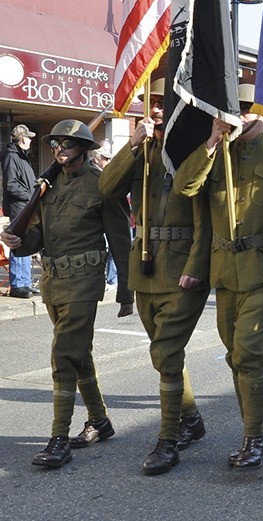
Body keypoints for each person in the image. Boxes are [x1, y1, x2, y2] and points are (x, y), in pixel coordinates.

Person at [173, 84, 263, 469]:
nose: (239, 116)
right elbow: (183, 187)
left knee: (250, 351)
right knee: (235, 355)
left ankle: (253, 437)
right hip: (225, 272)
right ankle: (260, 436)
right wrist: (211, 142)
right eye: (233, 109)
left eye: (248, 109)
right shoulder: (215, 155)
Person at [1, 119, 134, 469]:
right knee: (79, 354)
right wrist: (18, 241)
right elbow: (38, 237)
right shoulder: (49, 186)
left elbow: (121, 238)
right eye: (57, 142)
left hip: (85, 282)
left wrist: (126, 291)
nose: (60, 148)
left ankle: (58, 438)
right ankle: (100, 421)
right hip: (53, 281)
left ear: (85, 149)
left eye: (68, 143)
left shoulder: (101, 184)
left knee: (63, 357)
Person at [99, 78, 211, 476]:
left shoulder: (193, 151)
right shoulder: (142, 151)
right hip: (144, 268)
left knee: (164, 353)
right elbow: (106, 190)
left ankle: (167, 440)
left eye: (166, 102)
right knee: (165, 354)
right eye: (154, 101)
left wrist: (196, 268)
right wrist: (131, 146)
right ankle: (192, 418)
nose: (158, 107)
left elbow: (206, 220)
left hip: (181, 268)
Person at [1, 124, 38, 298]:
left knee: (24, 243)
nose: (31, 140)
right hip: (19, 206)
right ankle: (17, 284)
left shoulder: (21, 156)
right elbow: (10, 185)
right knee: (17, 243)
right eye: (29, 137)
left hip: (25, 206)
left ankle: (25, 282)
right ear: (22, 139)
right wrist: (29, 196)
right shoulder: (11, 156)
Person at [88, 140, 118, 289]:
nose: (108, 161)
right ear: (97, 159)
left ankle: (112, 279)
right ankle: (110, 279)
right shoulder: (93, 175)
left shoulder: (103, 173)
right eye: (105, 158)